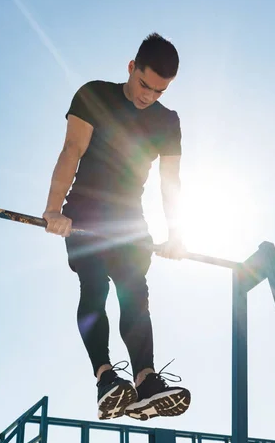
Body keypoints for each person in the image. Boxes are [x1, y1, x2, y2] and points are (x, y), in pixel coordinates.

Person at [43, 33, 190, 421]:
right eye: (145, 84)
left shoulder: (167, 121)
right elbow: (71, 151)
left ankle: (146, 383)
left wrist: (176, 234)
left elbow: (170, 183)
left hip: (128, 220)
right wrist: (53, 210)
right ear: (131, 67)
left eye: (159, 91)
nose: (148, 96)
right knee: (94, 284)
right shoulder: (94, 96)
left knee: (135, 293)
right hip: (84, 214)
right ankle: (106, 379)